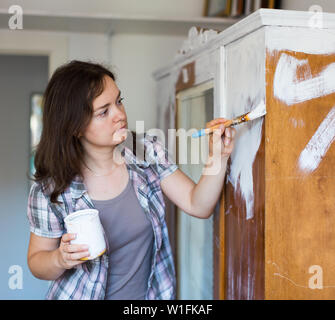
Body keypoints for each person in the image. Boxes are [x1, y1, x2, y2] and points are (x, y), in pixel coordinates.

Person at [26, 60, 236, 300]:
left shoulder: (147, 151)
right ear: (75, 127)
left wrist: (218, 156)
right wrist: (59, 258)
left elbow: (198, 204)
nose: (120, 115)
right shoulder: (50, 190)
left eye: (119, 101)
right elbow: (36, 262)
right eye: (104, 112)